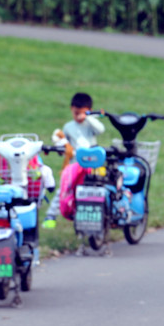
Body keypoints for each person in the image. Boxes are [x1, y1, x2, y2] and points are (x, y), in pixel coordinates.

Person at [42, 92, 105, 229]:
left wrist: (89, 117)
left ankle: (99, 215)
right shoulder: (68, 127)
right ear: (71, 109)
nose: (79, 116)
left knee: (98, 186)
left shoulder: (90, 125)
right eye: (76, 113)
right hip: (75, 164)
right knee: (65, 188)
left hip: (92, 163)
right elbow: (65, 145)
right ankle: (51, 216)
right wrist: (61, 146)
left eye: (81, 113)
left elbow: (101, 129)